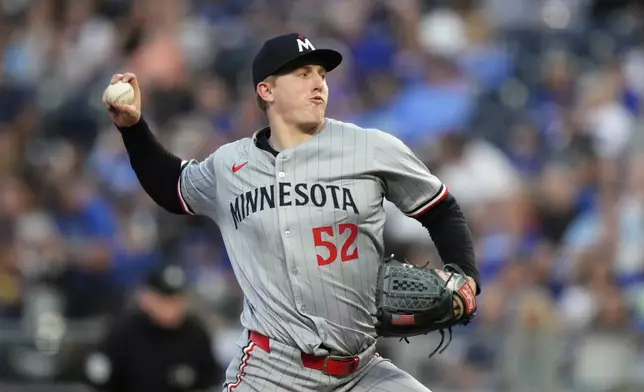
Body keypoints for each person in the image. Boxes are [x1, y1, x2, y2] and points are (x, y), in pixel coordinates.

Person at [103, 33, 481, 392]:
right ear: (266, 90)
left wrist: (467, 276)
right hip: (272, 371)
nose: (318, 83)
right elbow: (173, 189)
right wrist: (134, 129)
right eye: (302, 74)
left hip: (361, 370)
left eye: (321, 75)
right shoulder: (231, 165)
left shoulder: (370, 148)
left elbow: (440, 209)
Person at [83, 264, 221, 392]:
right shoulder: (123, 333)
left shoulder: (196, 335)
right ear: (146, 298)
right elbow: (98, 378)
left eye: (178, 298)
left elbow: (210, 382)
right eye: (164, 298)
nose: (172, 306)